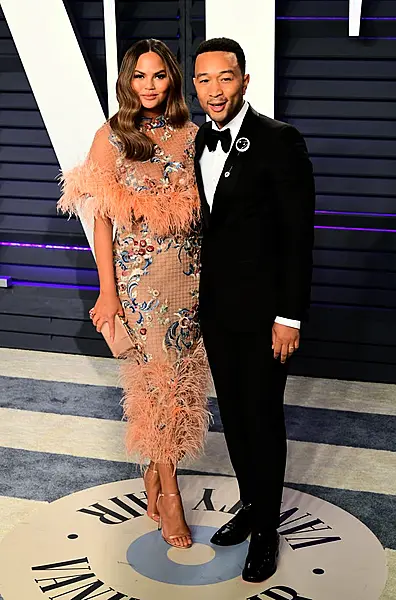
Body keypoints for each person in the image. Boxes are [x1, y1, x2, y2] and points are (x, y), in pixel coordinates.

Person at [58, 39, 210, 549]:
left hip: (190, 280)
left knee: (180, 386)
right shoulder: (113, 137)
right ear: (127, 80)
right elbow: (100, 220)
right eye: (140, 76)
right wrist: (108, 292)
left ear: (172, 80)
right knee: (156, 388)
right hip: (139, 281)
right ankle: (170, 493)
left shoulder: (193, 135)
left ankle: (154, 468)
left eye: (159, 75)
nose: (149, 85)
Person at [193, 38, 315, 582]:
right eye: (203, 80)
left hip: (267, 317)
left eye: (225, 78)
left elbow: (297, 237)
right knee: (236, 419)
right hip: (217, 312)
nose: (214, 90)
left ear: (244, 80)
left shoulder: (278, 141)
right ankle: (250, 504)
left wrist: (289, 316)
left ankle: (267, 530)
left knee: (263, 420)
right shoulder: (198, 140)